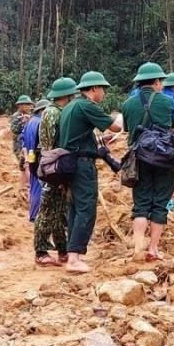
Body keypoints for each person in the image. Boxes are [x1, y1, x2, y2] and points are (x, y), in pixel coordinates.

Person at [57, 71, 122, 273]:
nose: (103, 93)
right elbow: (115, 127)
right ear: (94, 89)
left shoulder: (69, 107)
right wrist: (120, 116)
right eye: (102, 89)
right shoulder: (87, 105)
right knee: (86, 209)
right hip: (82, 164)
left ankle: (71, 252)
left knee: (75, 208)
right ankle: (75, 259)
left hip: (68, 162)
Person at [122, 62, 174, 262]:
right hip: (164, 158)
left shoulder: (128, 104)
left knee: (141, 203)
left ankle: (137, 248)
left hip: (140, 159)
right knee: (160, 203)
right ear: (156, 82)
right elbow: (171, 127)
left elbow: (128, 130)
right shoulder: (168, 101)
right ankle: (153, 249)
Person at [33, 78, 77, 267]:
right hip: (53, 165)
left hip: (57, 164)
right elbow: (50, 145)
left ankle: (62, 250)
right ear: (67, 95)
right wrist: (57, 170)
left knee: (60, 211)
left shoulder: (58, 112)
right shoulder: (52, 113)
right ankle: (41, 251)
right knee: (48, 209)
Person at [22, 99, 50, 223]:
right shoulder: (41, 123)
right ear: (43, 110)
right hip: (39, 157)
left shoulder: (30, 122)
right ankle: (38, 215)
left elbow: (23, 141)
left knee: (34, 185)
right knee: (41, 185)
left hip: (31, 155)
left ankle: (33, 214)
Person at [10, 95, 34, 197]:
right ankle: (25, 187)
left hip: (28, 145)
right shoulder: (16, 117)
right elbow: (14, 130)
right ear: (21, 106)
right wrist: (23, 122)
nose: (29, 107)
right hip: (20, 146)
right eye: (27, 105)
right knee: (25, 166)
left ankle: (23, 186)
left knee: (26, 167)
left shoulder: (30, 115)